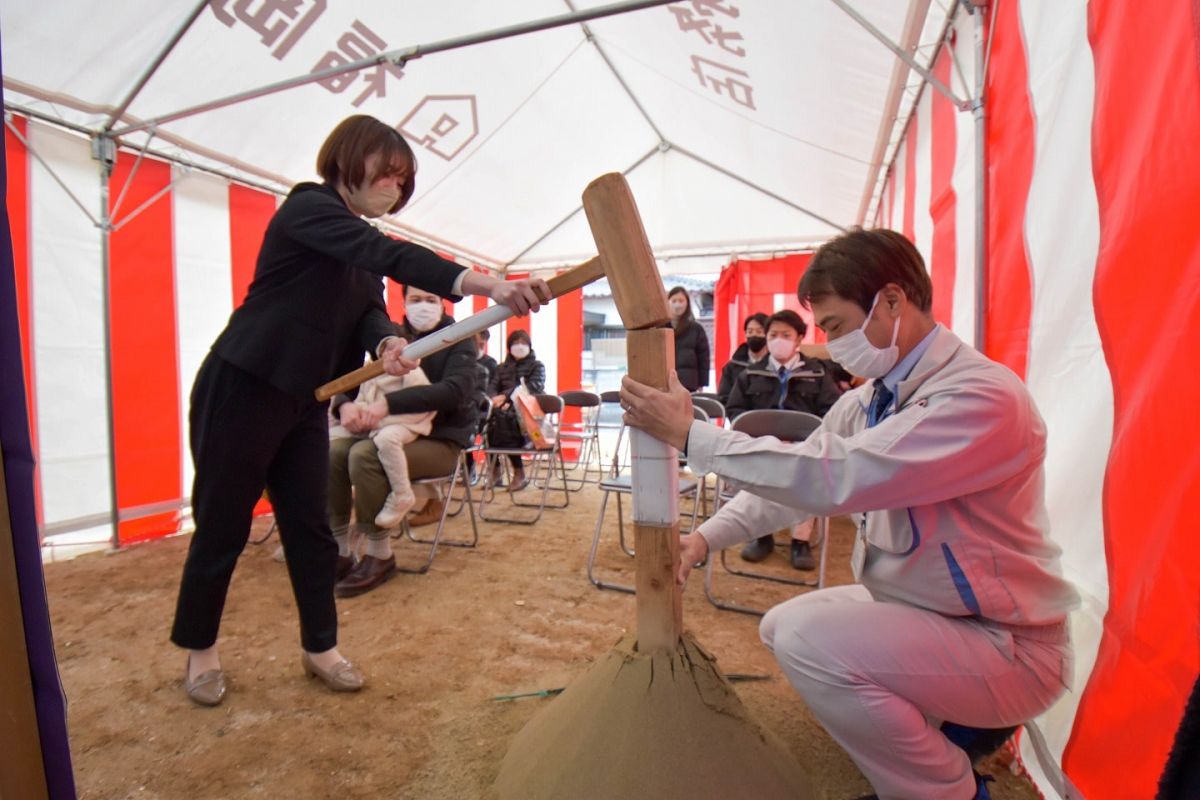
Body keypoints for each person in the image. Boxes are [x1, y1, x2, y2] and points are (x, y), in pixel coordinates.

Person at [620, 228, 1077, 800]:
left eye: (835, 326)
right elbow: (797, 486)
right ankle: (948, 733)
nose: (829, 344)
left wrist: (693, 436)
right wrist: (703, 540)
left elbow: (836, 476)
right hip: (935, 614)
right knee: (784, 627)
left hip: (1007, 643)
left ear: (891, 300)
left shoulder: (981, 398)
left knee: (808, 640)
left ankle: (948, 791)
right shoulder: (871, 399)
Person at [171, 114, 549, 707]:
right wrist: (485, 282)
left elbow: (371, 312)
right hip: (243, 385)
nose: (395, 188)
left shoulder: (361, 255)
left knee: (312, 528)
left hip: (304, 401)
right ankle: (201, 653)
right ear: (350, 159)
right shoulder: (308, 208)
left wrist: (387, 344)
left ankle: (320, 647)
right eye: (389, 173)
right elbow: (384, 250)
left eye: (404, 181)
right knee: (222, 523)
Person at [328, 284, 482, 598]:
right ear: (404, 302)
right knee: (333, 451)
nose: (422, 306)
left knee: (364, 456)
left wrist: (388, 405)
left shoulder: (460, 339)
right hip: (384, 429)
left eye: (430, 299)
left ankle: (379, 554)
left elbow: (455, 392)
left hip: (441, 440)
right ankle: (340, 549)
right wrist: (343, 404)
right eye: (415, 299)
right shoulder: (389, 340)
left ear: (443, 303)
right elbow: (354, 375)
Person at [726, 309, 844, 569]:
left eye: (786, 335)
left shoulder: (817, 373)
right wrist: (756, 437)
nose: (779, 340)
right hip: (761, 448)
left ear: (799, 338)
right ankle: (762, 537)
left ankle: (800, 542)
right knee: (756, 473)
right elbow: (735, 411)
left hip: (804, 450)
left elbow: (832, 412)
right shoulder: (750, 374)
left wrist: (808, 440)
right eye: (773, 334)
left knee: (810, 475)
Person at [486, 329, 545, 492]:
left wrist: (506, 398)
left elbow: (533, 387)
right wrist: (493, 399)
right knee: (491, 418)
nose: (519, 346)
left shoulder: (537, 366)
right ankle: (495, 469)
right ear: (509, 347)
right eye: (515, 343)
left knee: (504, 419)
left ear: (530, 346)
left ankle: (518, 472)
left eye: (523, 343)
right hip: (501, 410)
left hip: (528, 414)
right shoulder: (501, 368)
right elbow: (491, 387)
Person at [716, 312, 768, 405]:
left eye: (759, 332)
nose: (754, 335)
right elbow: (724, 397)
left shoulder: (775, 365)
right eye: (750, 331)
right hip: (740, 417)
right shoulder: (732, 367)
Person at [667, 286, 710, 393]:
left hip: (689, 384)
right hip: (665, 383)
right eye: (674, 300)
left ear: (687, 303)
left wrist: (702, 383)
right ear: (667, 302)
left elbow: (703, 358)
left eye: (681, 300)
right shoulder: (661, 328)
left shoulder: (696, 329)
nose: (677, 304)